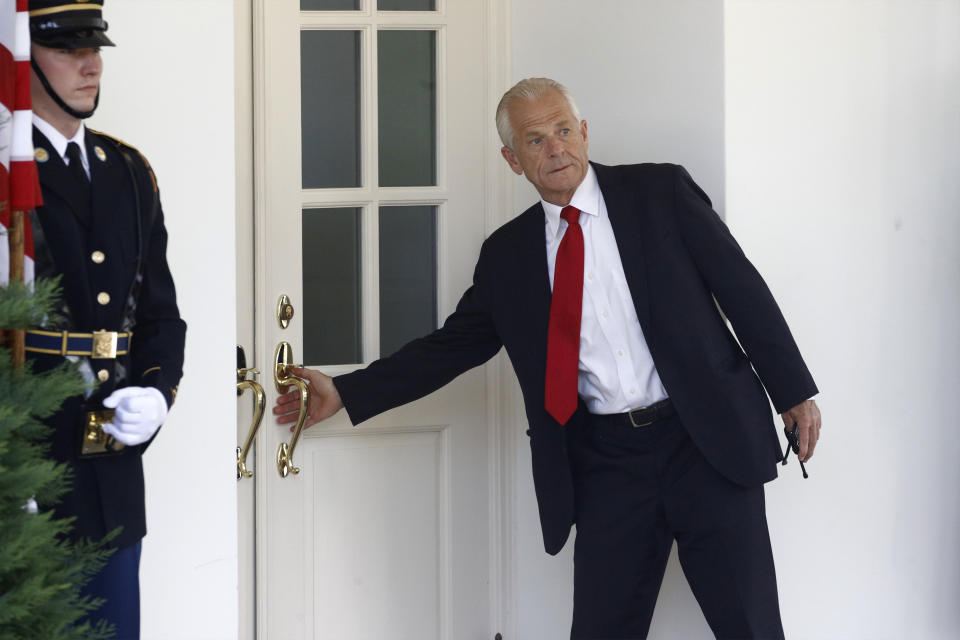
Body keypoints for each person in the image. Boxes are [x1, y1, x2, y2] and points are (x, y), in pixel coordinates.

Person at [275, 77, 821, 639]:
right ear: (513, 160)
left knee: (751, 627)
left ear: (583, 132)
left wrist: (793, 391)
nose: (555, 148)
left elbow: (742, 289)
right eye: (535, 140)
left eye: (563, 130)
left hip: (705, 442)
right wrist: (347, 391)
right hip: (608, 463)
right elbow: (451, 346)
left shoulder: (660, 194)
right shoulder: (508, 257)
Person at [24, 1, 186, 637]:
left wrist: (157, 388)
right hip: (24, 460)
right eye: (68, 49)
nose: (91, 64)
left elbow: (160, 312)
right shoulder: (9, 175)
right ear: (19, 60)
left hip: (109, 458)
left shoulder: (128, 171)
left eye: (95, 48)